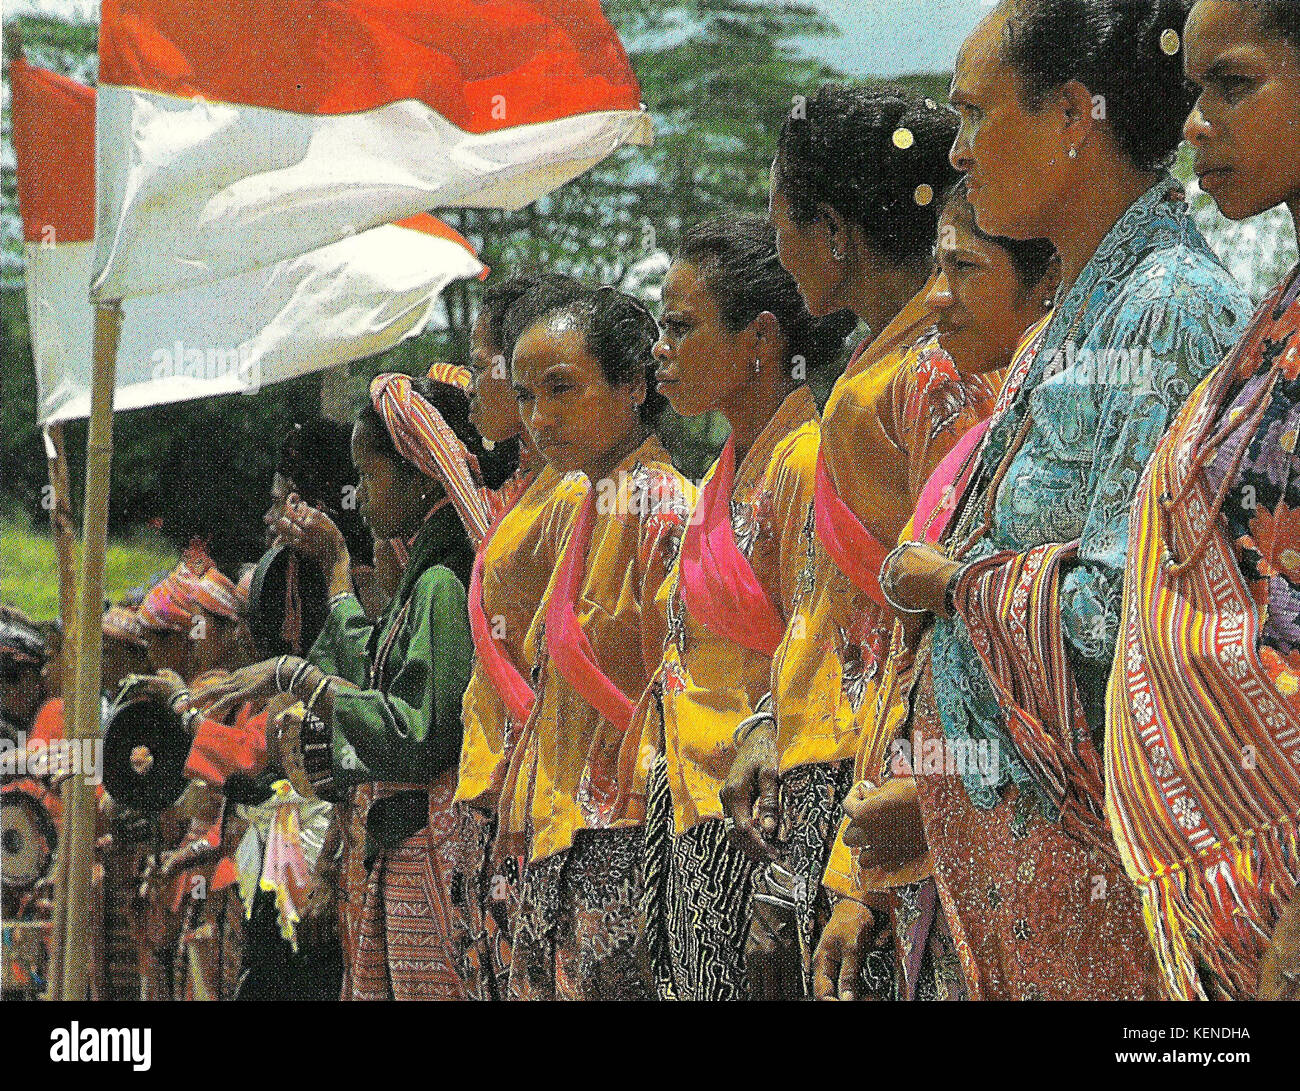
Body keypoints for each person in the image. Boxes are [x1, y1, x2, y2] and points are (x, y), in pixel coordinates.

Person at [841, 0, 1250, 1000]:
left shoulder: (1165, 306)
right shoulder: (1084, 310)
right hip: (1015, 874)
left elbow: (1130, 622)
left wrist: (952, 583)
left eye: (976, 115)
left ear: (1073, 114)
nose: (961, 150)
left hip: (1096, 886)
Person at [720, 83, 963, 997]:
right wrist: (770, 719)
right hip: (829, 763)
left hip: (880, 783)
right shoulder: (879, 361)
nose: (778, 250)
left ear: (833, 232)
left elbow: (940, 614)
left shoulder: (931, 366)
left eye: (784, 223)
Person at [814, 181, 1057, 1001]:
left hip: (1007, 839)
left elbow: (1073, 660)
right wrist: (861, 870)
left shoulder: (985, 406)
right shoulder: (992, 430)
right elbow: (917, 662)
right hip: (919, 824)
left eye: (964, 270)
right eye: (935, 270)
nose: (939, 300)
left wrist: (930, 795)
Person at [1107, 0, 1300, 1001]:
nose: (1194, 125)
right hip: (1238, 908)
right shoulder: (1273, 321)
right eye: (1193, 94)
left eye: (1232, 85)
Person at [199, 375, 507, 999]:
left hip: (430, 846)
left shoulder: (442, 583)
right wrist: (339, 571)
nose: (361, 497)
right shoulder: (422, 576)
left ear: (421, 473)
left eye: (371, 476)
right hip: (401, 845)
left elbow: (416, 734)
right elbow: (370, 673)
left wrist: (296, 676)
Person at [632, 215, 853, 999]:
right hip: (696, 818)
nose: (661, 349)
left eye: (681, 326)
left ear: (761, 338)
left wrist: (785, 881)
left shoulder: (806, 461)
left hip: (760, 836)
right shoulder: (727, 469)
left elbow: (823, 667)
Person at [497, 285, 695, 1001]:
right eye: (525, 396)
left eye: (562, 389)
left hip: (626, 839)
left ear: (635, 383)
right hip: (562, 838)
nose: (540, 418)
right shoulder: (585, 502)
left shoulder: (662, 504)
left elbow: (681, 689)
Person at [451, 271, 584, 999]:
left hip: (531, 803)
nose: (471, 385)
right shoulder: (526, 490)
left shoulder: (568, 493)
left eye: (482, 364)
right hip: (497, 795)